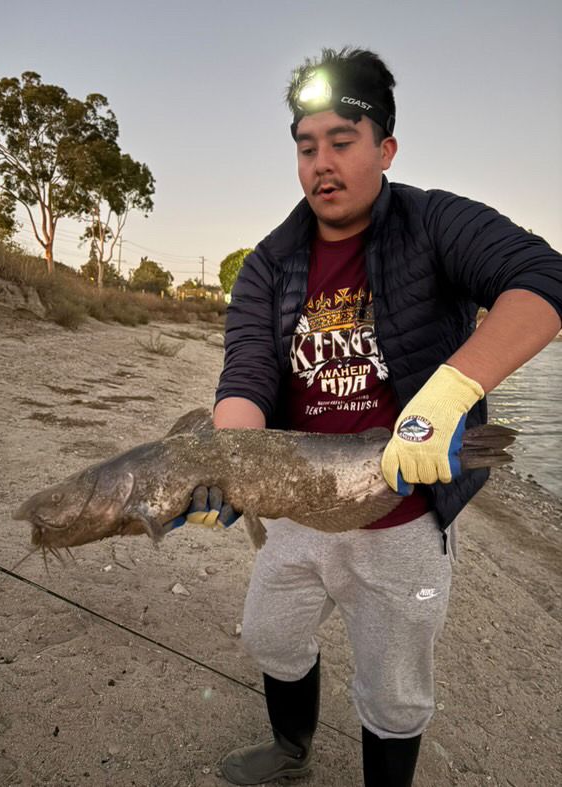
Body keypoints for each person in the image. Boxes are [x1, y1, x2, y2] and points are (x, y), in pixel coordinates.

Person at [207, 48, 562, 786]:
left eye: (342, 141)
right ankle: (291, 748)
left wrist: (452, 389)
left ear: (385, 147)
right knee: (272, 635)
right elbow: (245, 374)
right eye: (307, 147)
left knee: (394, 687)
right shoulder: (269, 262)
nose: (321, 163)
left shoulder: (434, 222)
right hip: (298, 506)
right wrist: (228, 461)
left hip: (402, 514)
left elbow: (542, 278)